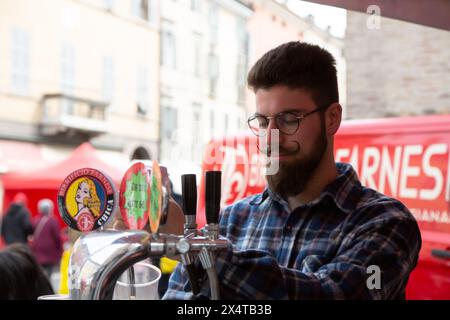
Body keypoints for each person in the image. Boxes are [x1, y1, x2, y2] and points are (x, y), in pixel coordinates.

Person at [163, 42, 422, 300]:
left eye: (289, 119)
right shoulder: (232, 220)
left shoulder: (385, 221)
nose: (271, 138)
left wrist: (196, 251)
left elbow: (333, 294)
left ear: (332, 118)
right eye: (263, 122)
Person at [30, 199, 63, 282]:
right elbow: (57, 238)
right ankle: (45, 290)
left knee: (39, 274)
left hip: (37, 252)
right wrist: (60, 251)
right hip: (49, 253)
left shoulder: (35, 220)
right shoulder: (53, 221)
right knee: (48, 275)